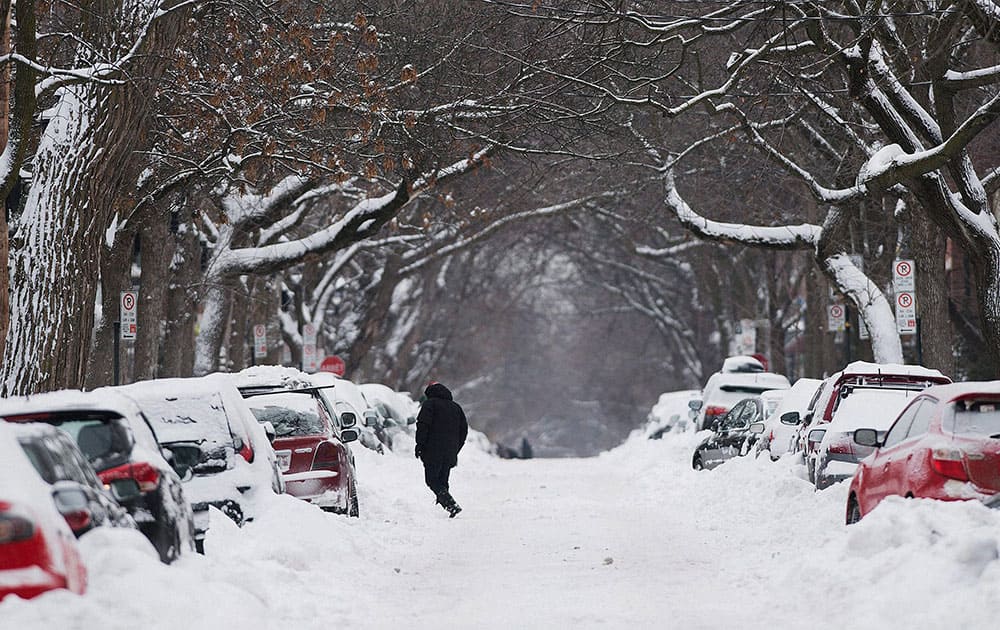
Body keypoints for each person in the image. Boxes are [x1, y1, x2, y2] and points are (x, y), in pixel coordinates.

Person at [415, 382, 468, 517]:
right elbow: (463, 431)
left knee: (432, 479)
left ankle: (450, 505)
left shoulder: (430, 405)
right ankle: (449, 506)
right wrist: (456, 447)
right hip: (450, 451)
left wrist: (419, 445)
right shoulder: (456, 408)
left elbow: (423, 425)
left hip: (432, 450)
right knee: (443, 480)